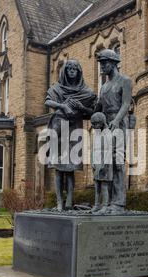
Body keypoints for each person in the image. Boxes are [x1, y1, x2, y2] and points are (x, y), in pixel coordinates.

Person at [45, 60, 96, 211]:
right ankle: (59, 202)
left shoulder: (86, 91)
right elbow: (48, 101)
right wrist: (63, 106)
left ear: (79, 72)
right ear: (65, 71)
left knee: (71, 168)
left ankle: (68, 201)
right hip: (59, 127)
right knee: (59, 168)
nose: (72, 71)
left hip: (75, 128)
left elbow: (92, 111)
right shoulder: (57, 88)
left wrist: (82, 108)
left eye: (75, 69)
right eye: (70, 69)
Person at [95, 49, 133, 214]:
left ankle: (118, 203)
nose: (102, 66)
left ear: (113, 63)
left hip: (119, 124)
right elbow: (98, 108)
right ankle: (106, 203)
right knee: (105, 165)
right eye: (101, 63)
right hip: (105, 126)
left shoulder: (125, 81)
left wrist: (116, 121)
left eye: (105, 63)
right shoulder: (103, 87)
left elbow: (126, 104)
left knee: (118, 163)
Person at [90, 112, 113, 214]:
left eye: (96, 124)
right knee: (97, 186)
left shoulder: (108, 133)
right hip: (97, 163)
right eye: (93, 124)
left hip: (105, 164)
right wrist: (92, 161)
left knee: (104, 186)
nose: (94, 126)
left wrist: (104, 165)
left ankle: (105, 205)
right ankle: (96, 205)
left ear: (102, 122)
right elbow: (93, 149)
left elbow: (109, 150)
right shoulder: (96, 134)